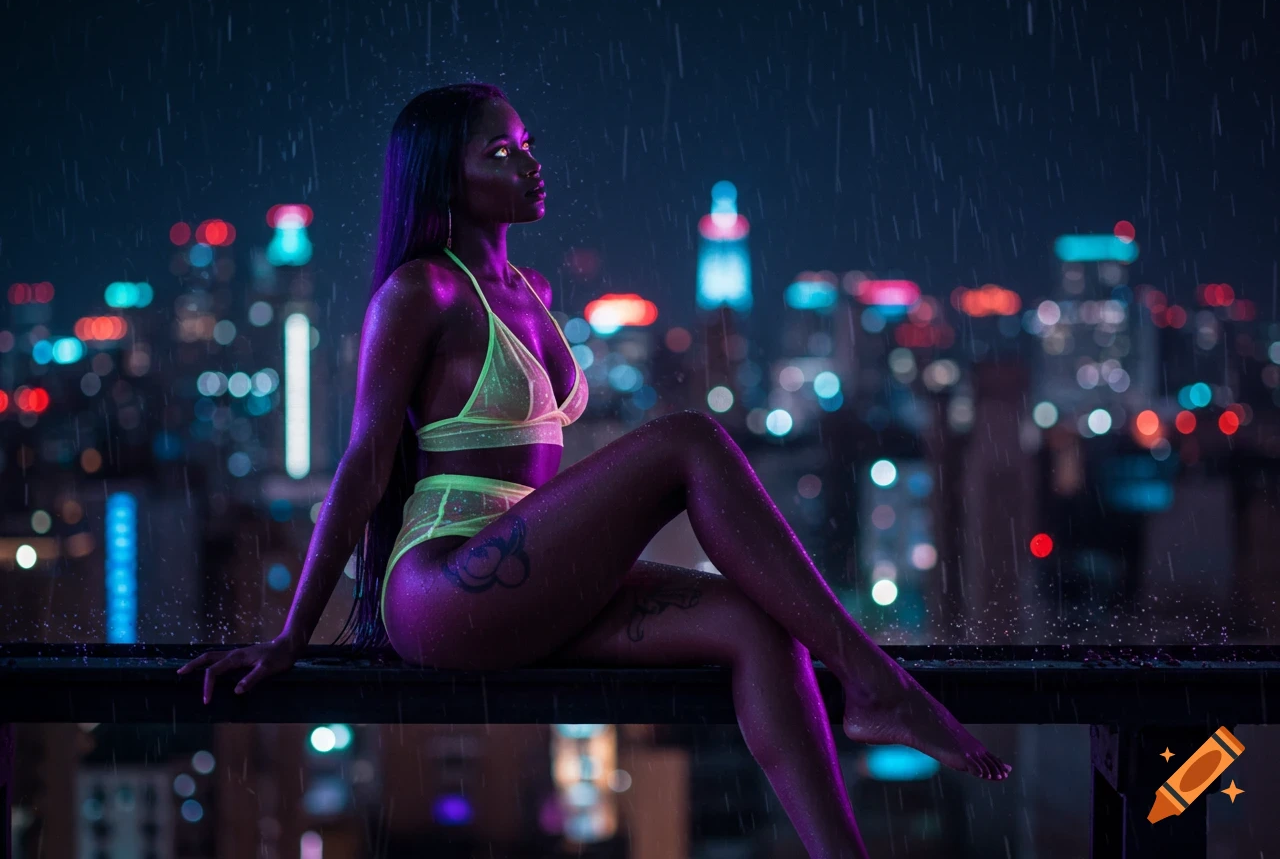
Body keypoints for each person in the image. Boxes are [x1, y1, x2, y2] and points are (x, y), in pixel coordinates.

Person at [179, 82, 1011, 858]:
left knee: (759, 628)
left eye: (527, 144)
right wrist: (293, 636)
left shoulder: (531, 290)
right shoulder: (423, 291)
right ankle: (877, 684)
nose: (529, 163)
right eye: (499, 153)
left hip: (532, 579)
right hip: (444, 585)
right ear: (443, 179)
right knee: (689, 441)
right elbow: (363, 464)